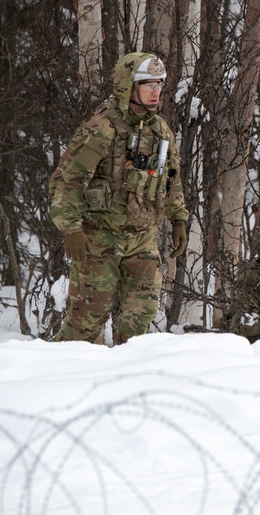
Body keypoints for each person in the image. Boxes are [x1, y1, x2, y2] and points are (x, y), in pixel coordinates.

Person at [50, 51, 189, 345]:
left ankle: (130, 373)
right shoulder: (102, 129)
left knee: (139, 324)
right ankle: (59, 370)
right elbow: (68, 179)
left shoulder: (160, 129)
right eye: (148, 84)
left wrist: (178, 218)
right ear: (128, 85)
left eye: (159, 85)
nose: (156, 92)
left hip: (143, 239)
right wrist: (71, 228)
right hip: (100, 240)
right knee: (84, 326)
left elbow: (170, 177)